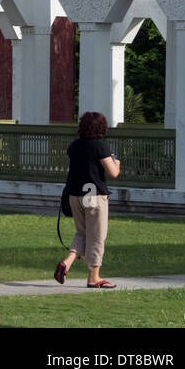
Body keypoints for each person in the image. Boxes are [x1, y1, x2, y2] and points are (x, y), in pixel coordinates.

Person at [54, 110, 120, 289]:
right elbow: (113, 172)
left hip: (75, 195)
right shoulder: (100, 147)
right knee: (97, 237)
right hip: (94, 196)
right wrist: (117, 161)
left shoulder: (74, 146)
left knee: (82, 233)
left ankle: (66, 263)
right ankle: (94, 277)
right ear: (101, 127)